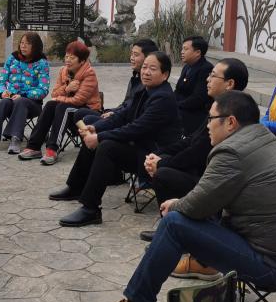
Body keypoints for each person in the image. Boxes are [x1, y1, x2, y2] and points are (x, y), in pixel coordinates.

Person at [92, 90, 276, 302]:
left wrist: (175, 205)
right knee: (198, 211)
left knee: (174, 224)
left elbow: (196, 206)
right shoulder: (265, 138)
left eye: (211, 119)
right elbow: (209, 198)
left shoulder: (232, 152)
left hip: (272, 266)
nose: (207, 125)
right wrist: (184, 203)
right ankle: (202, 263)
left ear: (230, 122)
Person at [48, 51, 181, 227]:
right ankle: (76, 187)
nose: (146, 72)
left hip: (153, 155)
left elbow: (136, 128)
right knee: (95, 136)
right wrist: (96, 128)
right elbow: (122, 116)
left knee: (106, 146)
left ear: (164, 75)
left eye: (153, 69)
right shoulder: (145, 89)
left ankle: (90, 209)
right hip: (139, 146)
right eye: (145, 67)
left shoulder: (163, 98)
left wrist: (99, 137)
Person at [136, 58, 249, 242]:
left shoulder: (231, 114)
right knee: (162, 162)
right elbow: (192, 140)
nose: (207, 79)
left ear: (229, 84)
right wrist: (161, 154)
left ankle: (176, 230)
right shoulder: (219, 105)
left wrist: (162, 163)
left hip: (214, 183)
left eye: (213, 76)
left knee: (163, 174)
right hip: (201, 171)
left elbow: (197, 152)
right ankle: (172, 226)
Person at [19, 40, 101, 165]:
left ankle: (52, 149)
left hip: (88, 112)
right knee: (50, 105)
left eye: (72, 58)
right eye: (66, 56)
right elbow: (54, 94)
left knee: (63, 107)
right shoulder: (63, 71)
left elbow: (78, 100)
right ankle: (34, 147)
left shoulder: (89, 73)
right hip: (69, 110)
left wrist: (59, 99)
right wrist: (67, 89)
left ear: (82, 61)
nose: (68, 60)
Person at [0, 32, 49, 155]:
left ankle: (15, 138)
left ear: (35, 46)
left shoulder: (42, 63)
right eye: (22, 43)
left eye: (27, 44)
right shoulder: (12, 58)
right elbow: (1, 81)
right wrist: (2, 92)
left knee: (21, 101)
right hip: (11, 100)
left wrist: (24, 95)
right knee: (3, 102)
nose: (23, 46)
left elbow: (43, 89)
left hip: (32, 104)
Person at [81, 38, 158, 127]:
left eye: (136, 55)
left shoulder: (149, 85)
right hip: (120, 115)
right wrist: (113, 111)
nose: (131, 58)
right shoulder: (135, 78)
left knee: (87, 119)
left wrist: (114, 113)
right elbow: (126, 103)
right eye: (131, 54)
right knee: (82, 113)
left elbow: (132, 110)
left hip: (126, 121)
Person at [174, 36, 214, 135]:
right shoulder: (187, 66)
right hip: (181, 108)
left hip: (194, 113)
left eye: (186, 49)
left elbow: (198, 98)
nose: (182, 52)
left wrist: (176, 105)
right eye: (182, 49)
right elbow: (178, 90)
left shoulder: (206, 68)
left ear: (198, 52)